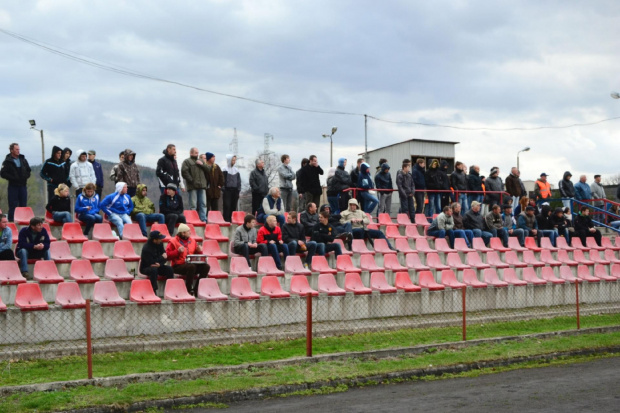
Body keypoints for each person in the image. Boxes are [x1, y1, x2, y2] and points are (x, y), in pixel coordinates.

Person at [166, 223, 210, 295]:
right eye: (188, 231)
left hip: (191, 265)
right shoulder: (173, 241)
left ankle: (197, 289)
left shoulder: (192, 241)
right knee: (191, 266)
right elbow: (167, 256)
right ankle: (188, 290)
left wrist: (199, 251)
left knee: (206, 266)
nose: (190, 232)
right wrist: (177, 251)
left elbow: (197, 255)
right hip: (178, 266)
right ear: (183, 233)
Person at [1, 143, 31, 222]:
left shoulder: (23, 159)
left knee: (23, 205)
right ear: (11, 150)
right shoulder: (7, 161)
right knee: (13, 205)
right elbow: (3, 173)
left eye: (19, 149)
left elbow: (28, 170)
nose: (18, 151)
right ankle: (11, 222)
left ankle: (23, 221)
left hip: (23, 186)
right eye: (16, 149)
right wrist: (13, 178)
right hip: (13, 186)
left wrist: (25, 176)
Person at [181, 148, 208, 222]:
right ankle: (193, 219)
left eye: (198, 153)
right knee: (193, 205)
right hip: (192, 186)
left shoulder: (201, 161)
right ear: (191, 153)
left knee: (203, 204)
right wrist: (191, 180)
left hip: (202, 186)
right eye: (196, 153)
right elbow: (184, 172)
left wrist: (202, 165)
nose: (197, 154)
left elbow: (208, 170)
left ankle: (203, 219)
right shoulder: (187, 161)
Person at [222, 154, 241, 222]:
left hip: (235, 190)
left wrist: (238, 190)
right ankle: (226, 220)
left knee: (233, 206)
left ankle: (232, 219)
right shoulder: (225, 169)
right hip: (227, 190)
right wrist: (223, 188)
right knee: (227, 205)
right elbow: (222, 180)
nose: (234, 162)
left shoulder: (236, 170)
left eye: (235, 160)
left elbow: (238, 181)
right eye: (233, 160)